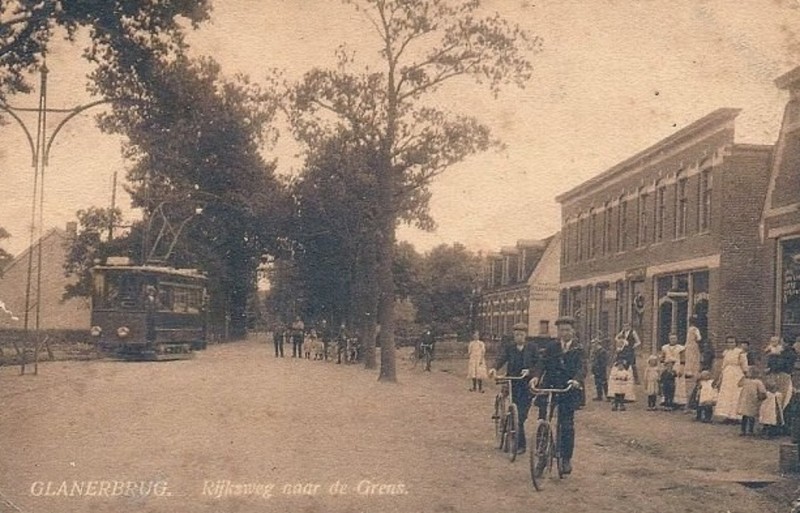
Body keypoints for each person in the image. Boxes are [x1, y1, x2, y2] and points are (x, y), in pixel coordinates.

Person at [530, 316, 584, 475]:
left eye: (567, 330)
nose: (564, 333)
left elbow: (582, 368)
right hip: (549, 387)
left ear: (573, 331)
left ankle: (566, 458)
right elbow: (541, 363)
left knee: (566, 425)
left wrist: (576, 380)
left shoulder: (578, 348)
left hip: (568, 390)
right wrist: (535, 377)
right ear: (558, 331)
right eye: (561, 330)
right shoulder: (551, 347)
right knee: (543, 420)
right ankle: (541, 457)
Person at [489, 323, 536, 455]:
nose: (519, 337)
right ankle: (515, 440)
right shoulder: (510, 348)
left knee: (521, 416)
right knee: (513, 411)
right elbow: (501, 358)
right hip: (513, 383)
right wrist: (494, 368)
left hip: (526, 385)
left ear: (525, 335)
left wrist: (530, 371)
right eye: (516, 335)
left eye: (521, 334)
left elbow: (538, 364)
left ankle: (519, 442)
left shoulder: (532, 348)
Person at [714, 336, 749, 421]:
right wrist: (720, 376)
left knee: (735, 394)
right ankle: (727, 415)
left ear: (736, 343)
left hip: (736, 374)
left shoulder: (740, 352)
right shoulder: (726, 352)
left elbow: (744, 366)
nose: (730, 344)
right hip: (727, 375)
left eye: (732, 342)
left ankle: (735, 416)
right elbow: (723, 365)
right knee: (727, 394)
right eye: (728, 342)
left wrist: (744, 376)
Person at [737, 368, 767, 436]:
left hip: (753, 400)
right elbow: (739, 384)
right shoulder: (746, 381)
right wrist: (743, 377)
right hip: (745, 399)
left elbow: (762, 391)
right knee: (745, 415)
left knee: (751, 415)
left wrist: (760, 397)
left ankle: (750, 430)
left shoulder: (758, 382)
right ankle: (743, 430)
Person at [660, 333, 687, 407]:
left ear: (677, 339)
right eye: (671, 338)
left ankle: (678, 401)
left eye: (674, 338)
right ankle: (666, 400)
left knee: (678, 383)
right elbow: (662, 358)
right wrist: (663, 366)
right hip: (667, 367)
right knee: (667, 383)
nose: (673, 340)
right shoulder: (665, 347)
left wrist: (681, 368)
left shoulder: (680, 348)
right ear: (669, 339)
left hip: (677, 366)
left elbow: (683, 360)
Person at [589, 337, 609, 402]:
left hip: (601, 369)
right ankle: (599, 396)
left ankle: (607, 395)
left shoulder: (602, 351)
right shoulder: (594, 351)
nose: (592, 345)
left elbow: (603, 362)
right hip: (596, 369)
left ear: (597, 344)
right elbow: (592, 360)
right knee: (597, 383)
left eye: (594, 344)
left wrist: (600, 368)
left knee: (603, 382)